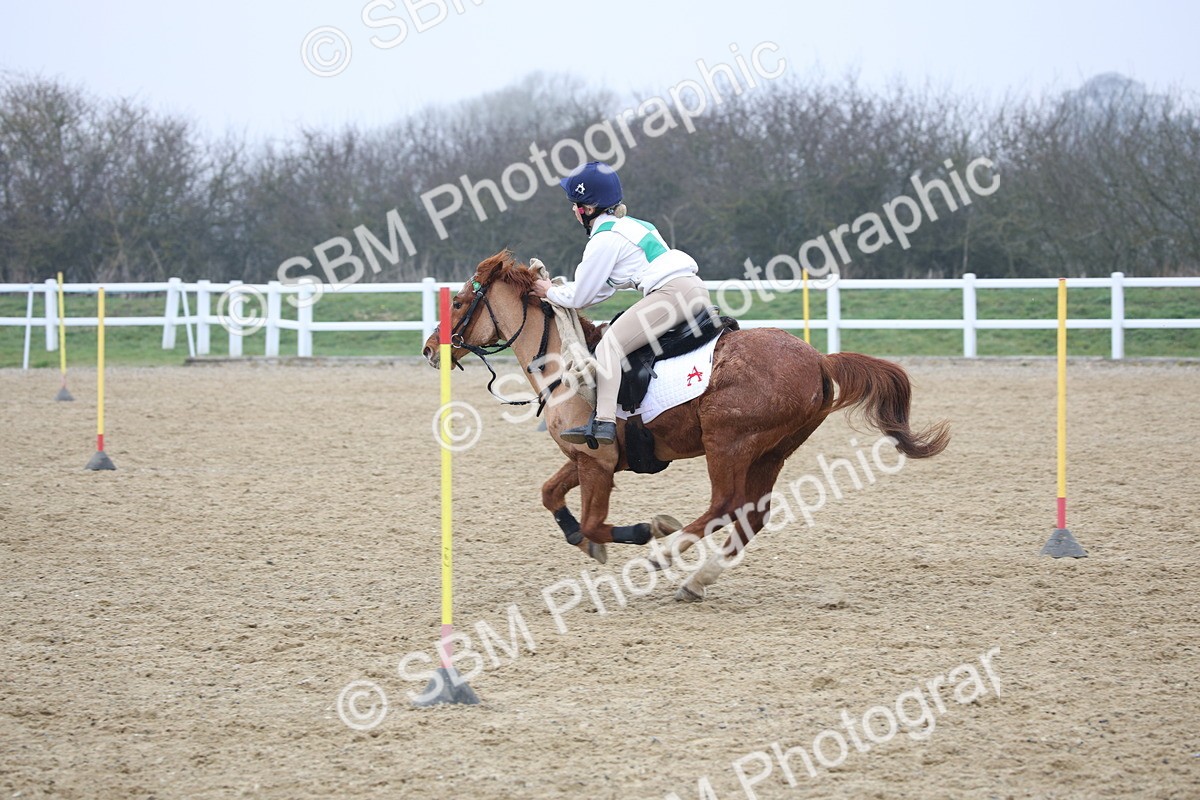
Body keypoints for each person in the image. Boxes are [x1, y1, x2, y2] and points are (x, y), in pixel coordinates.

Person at [531, 161, 713, 446]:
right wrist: (563, 292)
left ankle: (604, 422)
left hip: (669, 295)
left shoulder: (603, 239)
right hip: (694, 289)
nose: (572, 210)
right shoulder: (637, 226)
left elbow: (582, 296)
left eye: (574, 204)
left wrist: (549, 291)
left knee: (609, 346)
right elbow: (601, 290)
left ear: (587, 209)